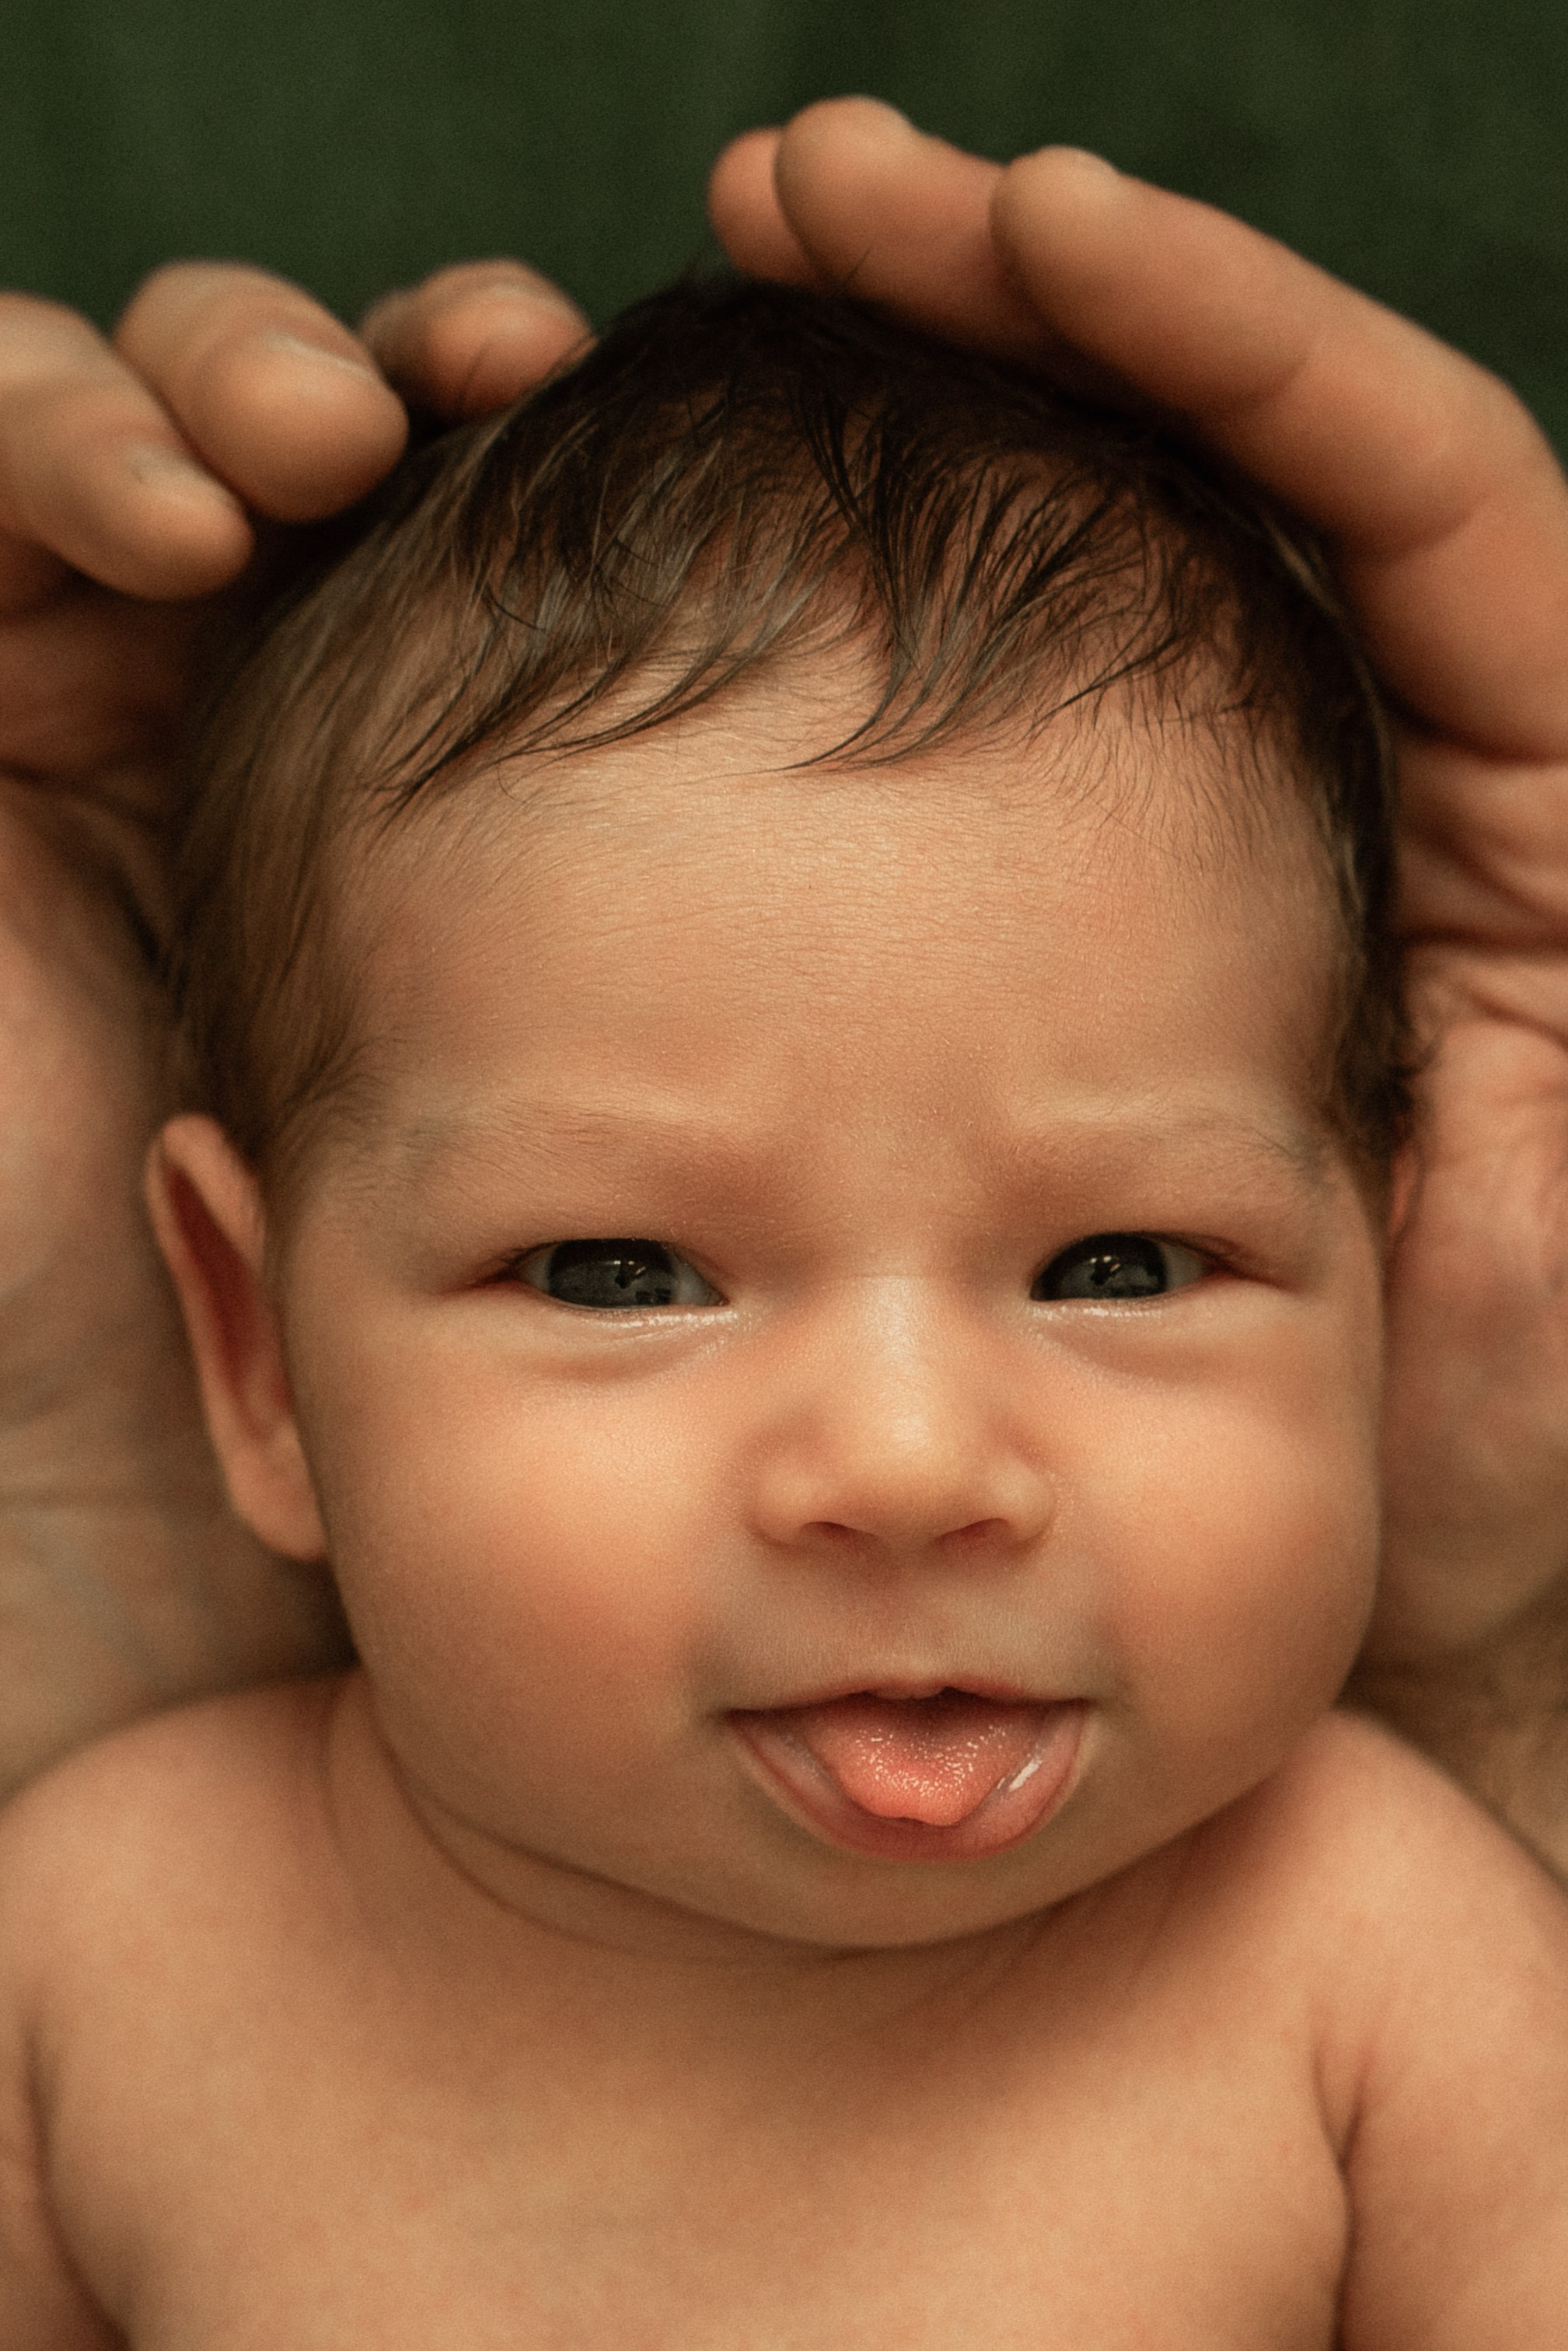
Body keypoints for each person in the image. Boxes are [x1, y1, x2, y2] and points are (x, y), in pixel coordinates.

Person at [2, 267, 1567, 2344]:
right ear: (255, 1344)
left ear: (1376, 1280)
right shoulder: (98, 1951)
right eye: (619, 1276)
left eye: (1117, 1267)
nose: (907, 1467)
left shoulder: (1375, 1971)